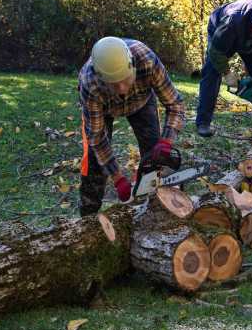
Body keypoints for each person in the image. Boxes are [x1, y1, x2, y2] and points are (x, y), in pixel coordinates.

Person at [78, 37, 185, 216]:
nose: (121, 88)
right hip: (105, 110)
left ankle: (154, 207)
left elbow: (175, 105)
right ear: (101, 77)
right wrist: (118, 178)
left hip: (141, 101)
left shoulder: (147, 61)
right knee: (94, 163)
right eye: (114, 84)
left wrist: (166, 141)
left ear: (131, 65)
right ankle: (87, 218)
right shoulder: (89, 83)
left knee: (154, 152)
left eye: (124, 80)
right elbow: (96, 137)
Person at [196, 0, 252, 137]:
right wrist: (227, 73)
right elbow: (216, 52)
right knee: (212, 72)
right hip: (223, 35)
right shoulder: (232, 21)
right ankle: (203, 123)